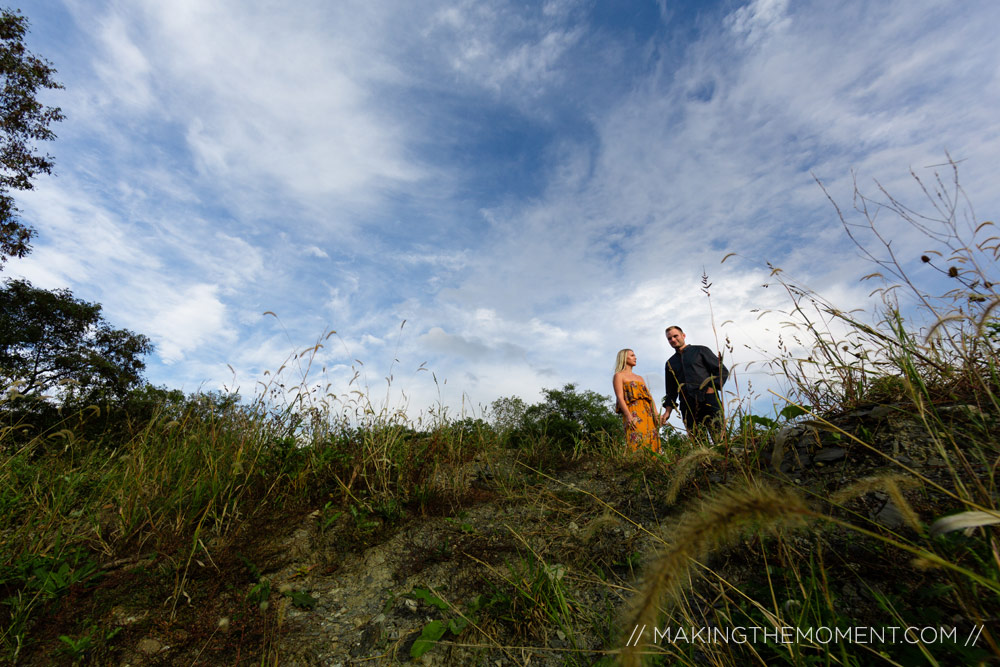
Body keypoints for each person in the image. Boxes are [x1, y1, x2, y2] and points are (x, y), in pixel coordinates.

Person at [662, 326, 729, 440]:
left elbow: (721, 371)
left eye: (675, 336)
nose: (672, 340)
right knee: (698, 441)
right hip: (687, 406)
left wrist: (711, 389)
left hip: (708, 400)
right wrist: (667, 412)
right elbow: (671, 391)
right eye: (669, 338)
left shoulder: (701, 350)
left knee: (720, 437)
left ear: (683, 335)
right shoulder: (670, 363)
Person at [613, 348, 661, 452]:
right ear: (624, 358)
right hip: (633, 413)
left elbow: (650, 398)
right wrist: (629, 416)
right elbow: (620, 397)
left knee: (652, 441)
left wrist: (656, 414)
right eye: (632, 355)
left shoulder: (640, 378)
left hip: (648, 413)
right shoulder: (619, 376)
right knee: (636, 442)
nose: (635, 357)